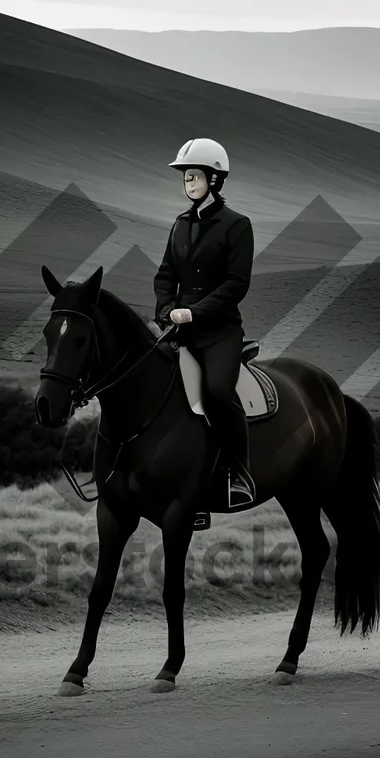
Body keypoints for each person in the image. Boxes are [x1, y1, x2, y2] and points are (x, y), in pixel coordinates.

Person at [153, 138, 256, 506]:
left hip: (219, 333)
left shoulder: (237, 226)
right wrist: (166, 310)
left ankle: (237, 473)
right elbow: (165, 275)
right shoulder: (179, 225)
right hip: (178, 329)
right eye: (185, 178)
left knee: (216, 393)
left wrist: (196, 311)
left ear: (214, 179)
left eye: (194, 176)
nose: (188, 184)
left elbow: (236, 284)